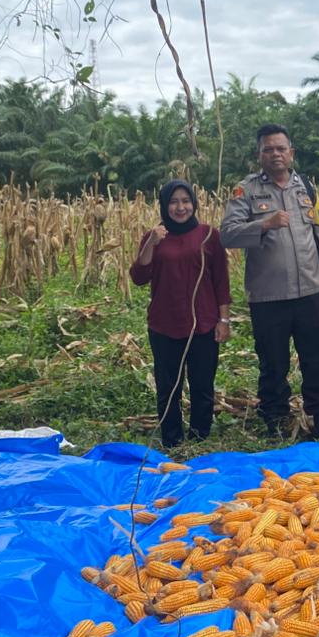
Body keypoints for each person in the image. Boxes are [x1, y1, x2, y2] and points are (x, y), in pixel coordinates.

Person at [221, 124, 319, 440]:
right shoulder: (244, 191)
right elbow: (227, 234)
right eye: (268, 149)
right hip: (268, 296)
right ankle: (275, 420)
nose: (275, 154)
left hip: (310, 291)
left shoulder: (307, 190)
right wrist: (263, 224)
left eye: (280, 148)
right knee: (273, 364)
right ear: (259, 154)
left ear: (291, 153)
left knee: (318, 358)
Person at [129, 180, 231, 448]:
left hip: (203, 324)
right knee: (168, 387)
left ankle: (200, 437)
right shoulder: (155, 237)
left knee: (202, 385)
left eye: (185, 201)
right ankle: (172, 440)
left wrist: (224, 319)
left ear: (194, 204)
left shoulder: (209, 235)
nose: (180, 207)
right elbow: (139, 276)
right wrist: (151, 243)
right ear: (164, 206)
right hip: (164, 324)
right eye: (173, 202)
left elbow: (221, 280)